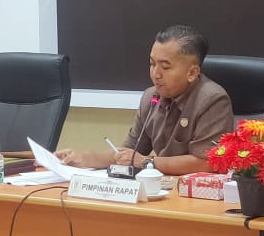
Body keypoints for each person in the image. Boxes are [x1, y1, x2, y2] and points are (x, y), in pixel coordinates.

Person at [55, 25, 234, 176]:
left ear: (192, 73)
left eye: (165, 67)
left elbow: (206, 163)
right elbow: (128, 152)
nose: (156, 74)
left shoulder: (212, 100)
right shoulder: (151, 97)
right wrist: (83, 158)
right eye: (152, 64)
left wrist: (147, 162)